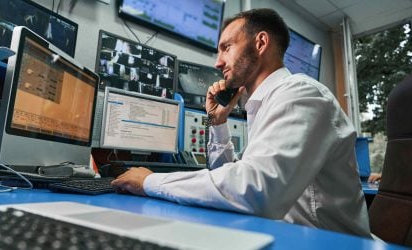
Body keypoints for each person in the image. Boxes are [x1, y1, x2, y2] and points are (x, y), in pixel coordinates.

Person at [111, 8, 371, 237]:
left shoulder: (301, 95)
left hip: (324, 242)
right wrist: (218, 122)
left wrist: (150, 182)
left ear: (260, 43)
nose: (218, 62)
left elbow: (255, 190)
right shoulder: (264, 103)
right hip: (287, 234)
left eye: (226, 47)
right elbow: (230, 181)